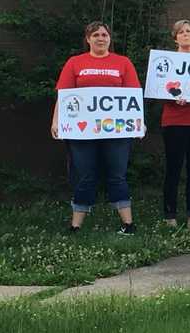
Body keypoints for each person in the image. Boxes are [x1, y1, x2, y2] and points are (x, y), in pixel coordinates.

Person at [51, 21, 142, 234]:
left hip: (116, 130)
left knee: (117, 174)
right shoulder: (75, 62)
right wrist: (56, 120)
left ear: (110, 38)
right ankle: (75, 226)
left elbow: (133, 96)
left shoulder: (123, 63)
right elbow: (63, 96)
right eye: (96, 35)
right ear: (88, 39)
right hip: (82, 132)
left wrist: (139, 123)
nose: (101, 38)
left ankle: (128, 224)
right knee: (85, 175)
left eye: (104, 34)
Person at [161, 19, 190, 230]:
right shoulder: (166, 61)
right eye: (181, 32)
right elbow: (157, 86)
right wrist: (172, 97)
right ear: (175, 37)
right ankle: (170, 215)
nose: (185, 35)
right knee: (173, 168)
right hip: (173, 121)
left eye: (189, 31)